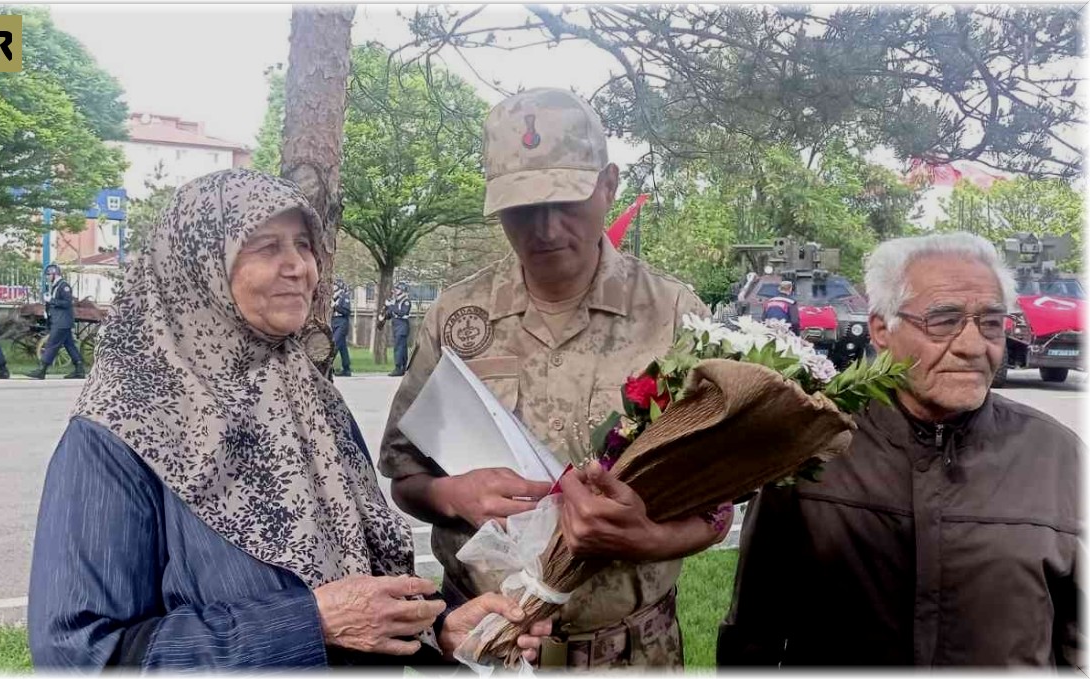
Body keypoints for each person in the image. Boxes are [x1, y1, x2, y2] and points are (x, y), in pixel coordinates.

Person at [27, 169, 549, 670]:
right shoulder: (121, 429)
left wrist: (439, 630)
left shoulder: (311, 398)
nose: (300, 266)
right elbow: (78, 653)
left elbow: (358, 581)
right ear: (198, 266)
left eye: (303, 244)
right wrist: (310, 624)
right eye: (266, 246)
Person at [379, 88, 734, 670]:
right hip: (484, 649)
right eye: (521, 208)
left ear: (609, 185)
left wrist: (647, 539)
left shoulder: (673, 317)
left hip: (631, 656)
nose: (544, 228)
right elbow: (405, 477)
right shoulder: (458, 317)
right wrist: (451, 494)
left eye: (566, 200)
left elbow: (719, 503)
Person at [718, 233, 1081, 668]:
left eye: (991, 323)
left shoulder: (1058, 457)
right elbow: (754, 632)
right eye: (944, 320)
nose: (972, 346)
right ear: (881, 329)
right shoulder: (813, 446)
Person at [27, 264, 85, 380]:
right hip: (59, 320)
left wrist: (51, 300)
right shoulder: (56, 286)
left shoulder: (64, 286)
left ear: (55, 274)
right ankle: (79, 369)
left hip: (62, 322)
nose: (47, 277)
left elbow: (67, 303)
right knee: (70, 345)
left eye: (48, 275)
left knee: (51, 344)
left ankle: (42, 370)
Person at [386, 281, 412, 377]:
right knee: (402, 347)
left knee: (399, 347)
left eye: (397, 289)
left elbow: (402, 312)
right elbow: (390, 314)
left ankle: (398, 368)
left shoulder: (406, 301)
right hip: (396, 325)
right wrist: (386, 312)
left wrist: (391, 306)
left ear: (402, 290)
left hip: (402, 325)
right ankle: (403, 367)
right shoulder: (395, 301)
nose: (395, 291)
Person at [331, 279, 353, 377]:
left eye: (334, 284)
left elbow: (347, 311)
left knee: (334, 344)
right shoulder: (332, 297)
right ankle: (346, 368)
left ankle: (328, 365)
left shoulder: (344, 296)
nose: (332, 286)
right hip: (333, 321)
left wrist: (335, 307)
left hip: (342, 322)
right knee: (342, 347)